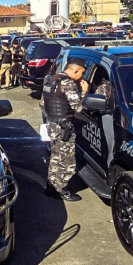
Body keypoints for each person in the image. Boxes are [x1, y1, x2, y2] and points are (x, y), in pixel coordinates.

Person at [41, 58, 89, 201]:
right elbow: (78, 108)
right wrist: (85, 92)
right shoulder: (67, 83)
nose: (82, 76)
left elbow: (43, 104)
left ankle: (52, 186)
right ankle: (61, 190)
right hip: (64, 127)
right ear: (75, 70)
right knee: (67, 161)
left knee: (56, 157)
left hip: (52, 125)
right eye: (81, 73)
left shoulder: (52, 80)